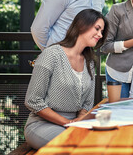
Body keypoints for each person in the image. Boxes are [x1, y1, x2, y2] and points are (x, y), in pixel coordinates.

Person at [24, 9, 109, 149]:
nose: (100, 35)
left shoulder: (90, 62)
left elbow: (87, 103)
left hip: (75, 124)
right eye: (97, 29)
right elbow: (33, 100)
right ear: (82, 25)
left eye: (102, 31)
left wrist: (80, 120)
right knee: (79, 144)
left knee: (106, 141)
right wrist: (67, 123)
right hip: (42, 125)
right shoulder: (52, 54)